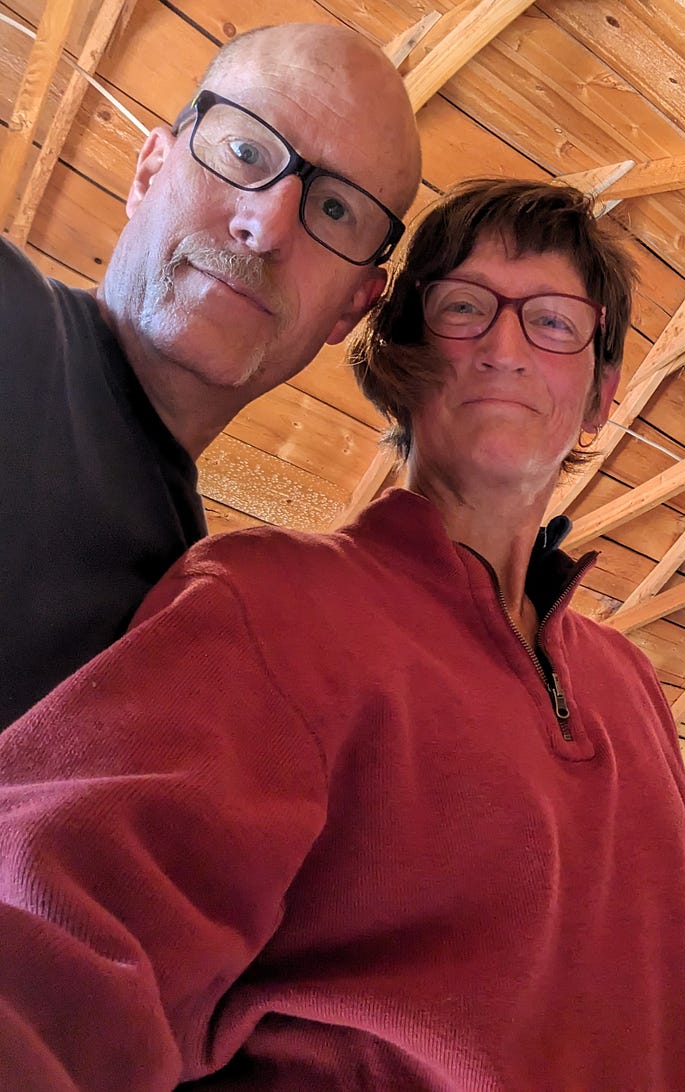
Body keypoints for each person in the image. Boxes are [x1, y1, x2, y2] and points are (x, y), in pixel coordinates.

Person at [0, 178, 685, 1090]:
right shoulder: (268, 599)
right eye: (465, 310)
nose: (505, 346)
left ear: (602, 393)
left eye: (552, 322)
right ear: (405, 359)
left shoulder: (632, 686)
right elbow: (59, 912)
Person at [0, 23, 422, 726]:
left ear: (350, 308)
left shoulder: (187, 616)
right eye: (248, 151)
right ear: (149, 171)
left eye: (335, 209)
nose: (268, 227)